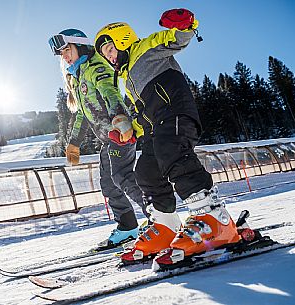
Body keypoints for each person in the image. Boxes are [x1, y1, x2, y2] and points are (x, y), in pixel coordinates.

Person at [94, 9, 241, 266]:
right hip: (155, 128)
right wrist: (129, 133)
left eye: (110, 49)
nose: (109, 57)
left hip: (176, 112)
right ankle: (166, 226)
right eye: (105, 55)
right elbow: (142, 113)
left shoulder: (146, 49)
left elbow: (176, 39)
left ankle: (214, 219)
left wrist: (184, 25)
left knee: (172, 152)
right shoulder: (127, 78)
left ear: (123, 39)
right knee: (146, 171)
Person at [48, 29, 147, 249]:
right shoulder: (78, 76)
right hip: (107, 140)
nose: (65, 56)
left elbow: (110, 92)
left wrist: (122, 122)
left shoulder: (95, 66)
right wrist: (73, 143)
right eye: (61, 53)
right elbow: (83, 114)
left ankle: (159, 217)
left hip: (120, 135)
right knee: (109, 184)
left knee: (122, 177)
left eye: (67, 50)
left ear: (80, 46)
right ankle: (128, 227)